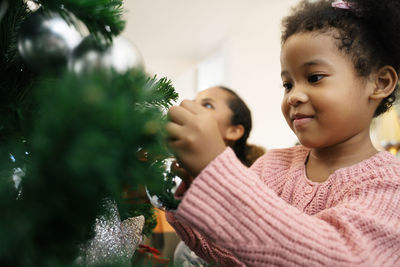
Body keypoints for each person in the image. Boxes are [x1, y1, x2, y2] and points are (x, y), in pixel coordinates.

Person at [165, 0, 400, 266]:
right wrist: (192, 181)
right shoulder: (272, 166)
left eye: (314, 77)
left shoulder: (390, 184)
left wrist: (215, 167)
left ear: (380, 83)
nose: (294, 96)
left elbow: (340, 258)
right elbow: (229, 250)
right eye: (287, 84)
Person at [171, 86, 266, 266]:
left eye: (207, 105)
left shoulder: (256, 183)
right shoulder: (184, 177)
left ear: (234, 131)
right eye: (193, 102)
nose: (190, 108)